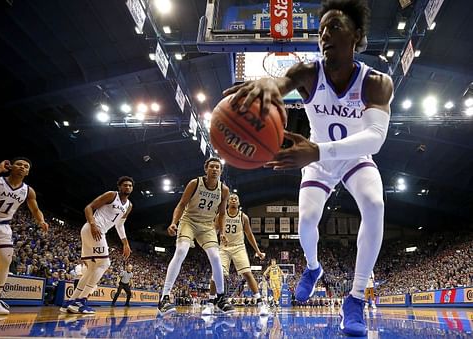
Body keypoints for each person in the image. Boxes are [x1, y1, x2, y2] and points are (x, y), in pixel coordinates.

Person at [223, 0, 392, 335]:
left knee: (374, 204)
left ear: (357, 35)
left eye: (335, 27)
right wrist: (265, 90)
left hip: (351, 156)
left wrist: (317, 150)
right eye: (321, 30)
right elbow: (279, 85)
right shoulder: (307, 72)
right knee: (306, 224)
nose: (325, 34)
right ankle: (313, 269)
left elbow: (373, 139)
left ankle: (355, 299)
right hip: (317, 160)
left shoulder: (377, 82)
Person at [157, 157, 234, 315]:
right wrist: (173, 223)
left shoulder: (224, 190)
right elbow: (181, 205)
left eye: (217, 167)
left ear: (221, 171)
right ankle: (164, 297)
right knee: (181, 251)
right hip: (189, 221)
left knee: (216, 257)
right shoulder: (195, 183)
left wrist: (223, 233)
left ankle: (220, 297)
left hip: (207, 226)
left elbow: (221, 214)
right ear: (206, 169)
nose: (214, 169)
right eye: (211, 166)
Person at [0, 158, 49, 314]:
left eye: (26, 166)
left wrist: (41, 220)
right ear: (12, 166)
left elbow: (35, 210)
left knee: (5, 262)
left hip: (2, 226)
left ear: (27, 172)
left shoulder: (28, 190)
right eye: (19, 164)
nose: (22, 167)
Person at [60, 176, 134, 314]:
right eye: (125, 185)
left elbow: (120, 224)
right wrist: (93, 224)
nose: (127, 187)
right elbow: (89, 207)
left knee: (91, 269)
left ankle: (70, 302)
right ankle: (80, 302)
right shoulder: (112, 195)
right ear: (119, 187)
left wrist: (125, 243)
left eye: (130, 185)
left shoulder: (129, 206)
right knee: (104, 264)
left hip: (96, 231)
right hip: (94, 229)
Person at [203, 193, 268, 316]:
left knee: (248, 274)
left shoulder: (243, 217)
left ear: (238, 203)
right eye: (231, 198)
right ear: (228, 202)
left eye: (235, 199)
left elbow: (249, 235)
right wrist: (210, 241)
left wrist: (258, 251)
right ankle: (210, 304)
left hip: (239, 247)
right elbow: (213, 231)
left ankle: (261, 304)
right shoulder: (220, 216)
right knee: (216, 273)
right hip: (224, 248)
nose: (233, 200)